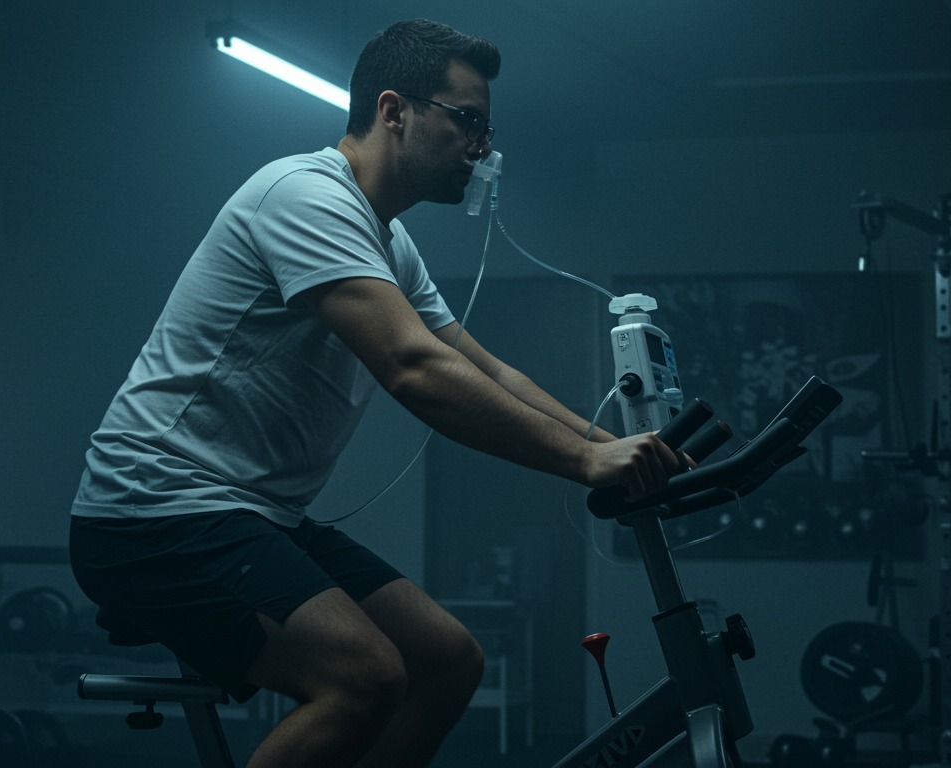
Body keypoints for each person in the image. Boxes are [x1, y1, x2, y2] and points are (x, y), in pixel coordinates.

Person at [68, 19, 682, 768]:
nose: (482, 147)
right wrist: (584, 465)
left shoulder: (387, 241)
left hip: (254, 514)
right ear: (395, 111)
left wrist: (608, 446)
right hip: (154, 513)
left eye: (487, 128)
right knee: (363, 678)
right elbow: (413, 368)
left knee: (446, 663)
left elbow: (482, 369)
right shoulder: (303, 196)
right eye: (467, 122)